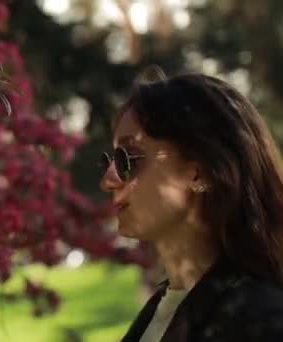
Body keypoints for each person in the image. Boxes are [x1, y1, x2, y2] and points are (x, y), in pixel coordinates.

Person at [99, 71, 283, 342]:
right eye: (109, 160)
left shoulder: (262, 322)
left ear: (200, 172)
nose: (108, 180)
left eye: (127, 159)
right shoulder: (158, 311)